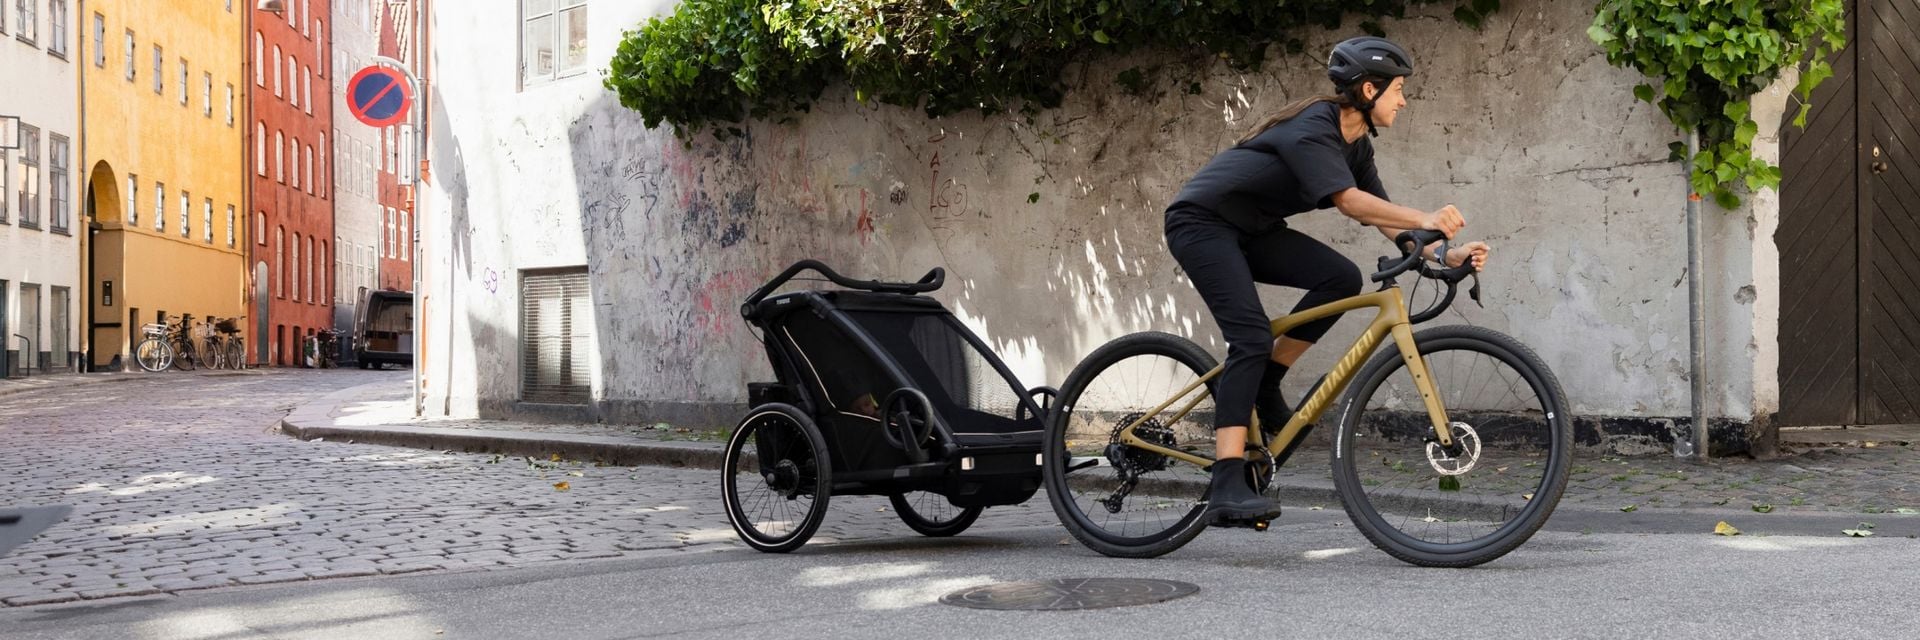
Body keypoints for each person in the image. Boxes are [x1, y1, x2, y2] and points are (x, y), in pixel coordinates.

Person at [1162, 36, 1492, 524]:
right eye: (1398, 89)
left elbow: (1387, 222)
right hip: (1201, 223)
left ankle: (1267, 381)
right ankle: (1226, 481)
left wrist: (1447, 250)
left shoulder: (1355, 146)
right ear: (1366, 89)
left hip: (1252, 230)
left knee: (1340, 276)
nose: (1403, 100)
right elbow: (1350, 202)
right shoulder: (1312, 127)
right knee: (1250, 337)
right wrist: (1427, 214)